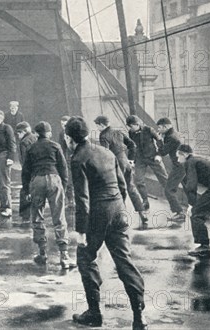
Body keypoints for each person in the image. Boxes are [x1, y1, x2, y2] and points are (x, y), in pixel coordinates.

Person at [67, 118, 147, 330]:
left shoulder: (78, 159)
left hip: (98, 213)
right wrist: (118, 208)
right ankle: (139, 317)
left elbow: (82, 199)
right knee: (124, 261)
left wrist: (81, 231)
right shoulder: (107, 152)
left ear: (69, 138)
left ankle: (94, 313)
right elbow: (123, 184)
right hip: (118, 209)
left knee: (85, 257)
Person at [21, 121, 73, 269]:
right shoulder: (55, 146)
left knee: (37, 216)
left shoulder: (31, 148)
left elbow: (26, 171)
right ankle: (64, 255)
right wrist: (62, 185)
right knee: (59, 217)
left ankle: (42, 253)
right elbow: (63, 168)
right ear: (49, 133)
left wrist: (26, 190)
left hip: (37, 180)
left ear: (36, 134)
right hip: (54, 178)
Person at [95, 115, 148, 228]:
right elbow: (132, 145)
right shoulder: (119, 132)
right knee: (131, 188)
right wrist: (131, 160)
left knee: (119, 190)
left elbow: (106, 154)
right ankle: (143, 214)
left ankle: (121, 218)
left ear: (101, 125)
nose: (97, 127)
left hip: (116, 165)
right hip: (126, 163)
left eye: (97, 125)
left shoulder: (103, 135)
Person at [126, 115, 171, 214]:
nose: (130, 129)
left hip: (153, 158)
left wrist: (159, 155)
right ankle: (145, 202)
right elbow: (132, 147)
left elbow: (160, 142)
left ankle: (173, 203)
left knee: (164, 179)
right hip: (140, 160)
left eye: (131, 126)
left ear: (136, 124)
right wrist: (131, 160)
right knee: (139, 180)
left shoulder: (149, 130)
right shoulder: (131, 133)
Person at [156, 117, 186, 222]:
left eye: (159, 128)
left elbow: (163, 152)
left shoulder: (171, 137)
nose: (158, 130)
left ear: (165, 127)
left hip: (179, 166)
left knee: (169, 189)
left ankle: (179, 213)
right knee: (189, 189)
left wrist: (159, 140)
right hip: (185, 165)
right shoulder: (176, 134)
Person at [16, 121, 38, 227]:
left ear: (24, 131)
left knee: (25, 192)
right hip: (39, 169)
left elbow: (25, 160)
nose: (18, 135)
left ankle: (25, 217)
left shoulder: (24, 142)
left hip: (30, 170)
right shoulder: (36, 137)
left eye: (18, 133)